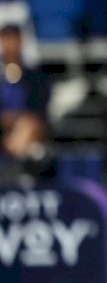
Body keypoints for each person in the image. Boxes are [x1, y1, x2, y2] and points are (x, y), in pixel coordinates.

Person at [0, 24, 50, 178]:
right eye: (5, 39)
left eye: (13, 39)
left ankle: (18, 173)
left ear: (21, 42)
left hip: (26, 128)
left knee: (28, 125)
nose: (10, 45)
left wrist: (17, 120)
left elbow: (39, 109)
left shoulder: (35, 77)